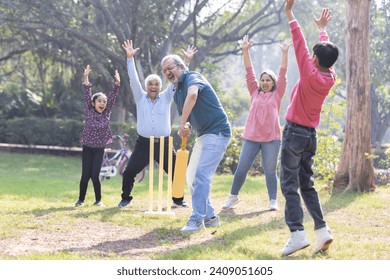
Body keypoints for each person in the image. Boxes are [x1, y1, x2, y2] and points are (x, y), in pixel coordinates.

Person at [280, 0, 339, 256]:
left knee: (289, 184)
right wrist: (323, 30)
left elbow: (299, 42)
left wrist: (290, 13)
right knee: (307, 184)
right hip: (310, 137)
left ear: (314, 59)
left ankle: (297, 234)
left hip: (294, 134)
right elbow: (324, 55)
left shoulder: (309, 72)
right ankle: (322, 230)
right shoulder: (329, 77)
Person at [118, 39, 197, 208]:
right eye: (150, 84)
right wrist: (130, 58)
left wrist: (187, 62)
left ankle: (178, 199)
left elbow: (179, 78)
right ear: (146, 86)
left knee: (177, 171)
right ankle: (125, 198)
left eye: (156, 84)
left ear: (161, 86)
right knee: (129, 171)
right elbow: (133, 79)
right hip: (143, 143)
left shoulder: (167, 96)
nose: (153, 87)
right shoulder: (140, 97)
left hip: (164, 143)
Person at [161, 53, 232, 233]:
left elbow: (193, 96)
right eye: (164, 71)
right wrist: (187, 126)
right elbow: (190, 114)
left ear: (181, 67)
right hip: (203, 134)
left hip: (218, 131)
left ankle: (197, 219)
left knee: (201, 175)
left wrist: (181, 123)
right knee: (191, 176)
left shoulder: (193, 77)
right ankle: (210, 217)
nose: (167, 72)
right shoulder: (176, 91)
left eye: (170, 68)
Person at [222, 35, 293, 211]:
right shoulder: (254, 91)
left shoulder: (277, 94)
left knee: (270, 170)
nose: (265, 82)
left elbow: (283, 73)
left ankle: (273, 200)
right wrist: (245, 50)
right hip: (252, 137)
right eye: (263, 80)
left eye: (268, 80)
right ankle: (233, 197)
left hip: (271, 138)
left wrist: (285, 53)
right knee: (242, 167)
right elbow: (249, 71)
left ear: (274, 83)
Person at [75, 65, 120, 207]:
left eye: (104, 101)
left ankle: (98, 200)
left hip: (99, 148)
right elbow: (87, 92)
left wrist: (117, 85)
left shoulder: (106, 113)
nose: (103, 103)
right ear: (93, 103)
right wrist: (86, 77)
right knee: (85, 176)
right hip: (87, 147)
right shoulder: (89, 111)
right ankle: (80, 200)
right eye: (99, 101)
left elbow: (112, 98)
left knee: (95, 175)